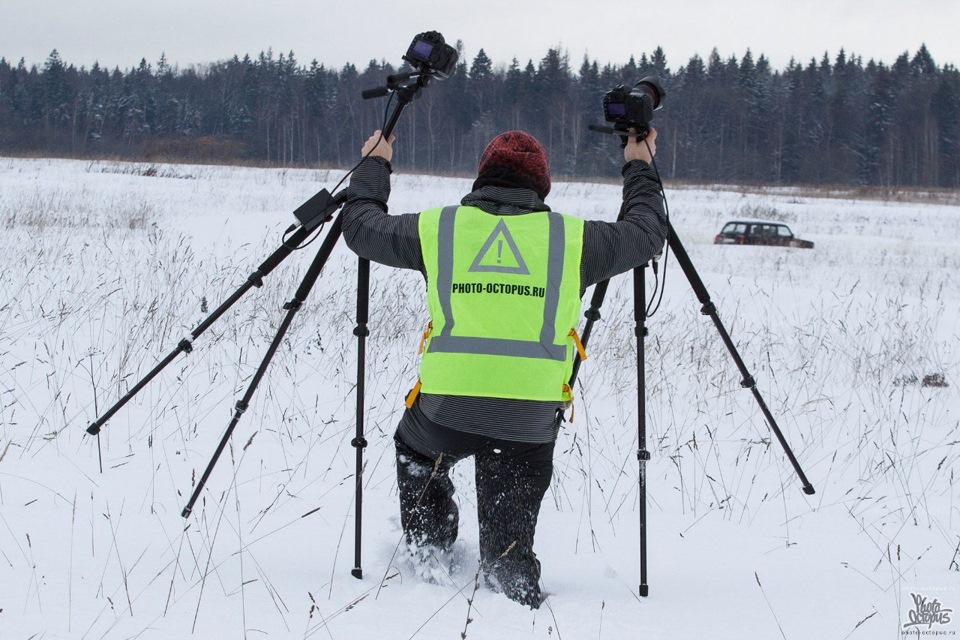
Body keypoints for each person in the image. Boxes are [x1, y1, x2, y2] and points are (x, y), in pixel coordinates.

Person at [340, 127, 667, 608]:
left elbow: (362, 228)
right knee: (509, 539)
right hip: (527, 424)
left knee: (415, 449)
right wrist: (638, 161)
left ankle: (429, 547)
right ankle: (509, 575)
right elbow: (645, 233)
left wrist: (376, 162)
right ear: (543, 186)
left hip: (442, 415)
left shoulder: (440, 229)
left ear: (481, 177)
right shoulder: (573, 240)